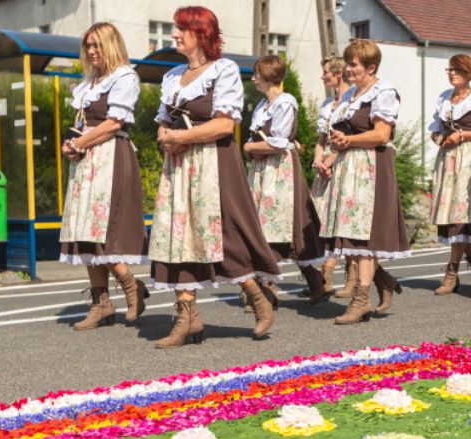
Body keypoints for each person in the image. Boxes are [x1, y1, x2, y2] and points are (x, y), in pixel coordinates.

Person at [150, 6, 281, 347]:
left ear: (202, 34)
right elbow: (164, 121)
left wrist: (180, 138)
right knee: (177, 236)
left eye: (181, 30)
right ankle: (187, 317)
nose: (174, 35)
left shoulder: (222, 70)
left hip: (213, 162)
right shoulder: (173, 76)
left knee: (224, 234)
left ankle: (257, 298)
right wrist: (166, 137)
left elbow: (225, 123)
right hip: (178, 166)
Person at [60, 23, 150, 331]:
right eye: (87, 46)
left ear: (111, 45)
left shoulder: (124, 77)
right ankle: (101, 304)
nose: (91, 51)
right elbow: (84, 125)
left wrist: (79, 143)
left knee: (103, 231)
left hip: (110, 157)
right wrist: (72, 145)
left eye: (97, 45)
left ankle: (130, 285)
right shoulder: (88, 83)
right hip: (86, 162)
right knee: (84, 230)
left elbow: (114, 123)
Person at [323, 39, 411, 323]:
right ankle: (382, 281)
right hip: (350, 166)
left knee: (365, 237)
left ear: (371, 67)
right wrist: (336, 145)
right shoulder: (351, 95)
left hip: (371, 166)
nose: (348, 69)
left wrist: (348, 139)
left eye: (353, 64)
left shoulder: (383, 92)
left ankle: (360, 301)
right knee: (353, 233)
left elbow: (381, 134)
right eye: (348, 63)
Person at [244, 55, 330, 304]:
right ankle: (312, 283)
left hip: (279, 169)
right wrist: (254, 147)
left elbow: (279, 142)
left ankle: (268, 288)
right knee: (263, 222)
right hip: (262, 168)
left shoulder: (285, 102)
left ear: (269, 76)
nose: (253, 79)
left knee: (281, 221)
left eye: (257, 74)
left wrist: (251, 148)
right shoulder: (262, 105)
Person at [427, 53, 471, 295]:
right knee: (452, 214)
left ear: (469, 73)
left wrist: (463, 135)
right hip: (448, 159)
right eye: (450, 69)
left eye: (457, 69)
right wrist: (439, 137)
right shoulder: (444, 98)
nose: (452, 73)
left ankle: (452, 271)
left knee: (460, 215)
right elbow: (434, 128)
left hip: (469, 159)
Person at [313, 56, 352, 298]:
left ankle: (344, 275)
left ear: (339, 74)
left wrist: (331, 160)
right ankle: (325, 272)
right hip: (325, 164)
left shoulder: (351, 101)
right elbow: (320, 140)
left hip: (343, 161)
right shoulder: (328, 103)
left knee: (342, 220)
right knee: (321, 220)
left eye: (326, 72)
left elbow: (350, 138)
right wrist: (319, 160)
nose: (323, 76)